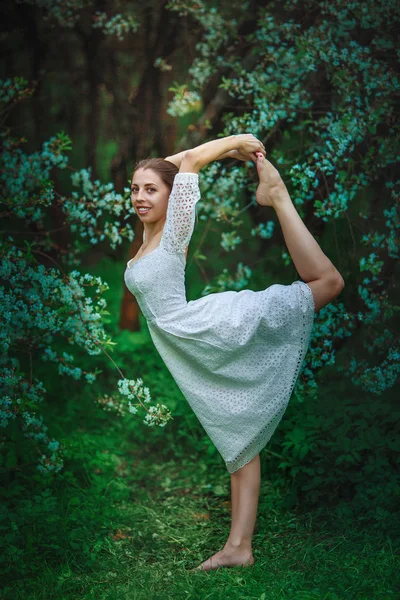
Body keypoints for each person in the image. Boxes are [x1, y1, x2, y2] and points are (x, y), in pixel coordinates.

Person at [124, 134, 344, 572]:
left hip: (212, 329)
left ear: (173, 198)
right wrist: (212, 157)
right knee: (237, 437)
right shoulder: (150, 236)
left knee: (328, 284)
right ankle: (238, 548)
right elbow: (173, 166)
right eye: (134, 189)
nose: (139, 197)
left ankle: (278, 197)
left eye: (150, 190)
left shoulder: (174, 235)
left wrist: (236, 142)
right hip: (193, 350)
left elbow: (187, 164)